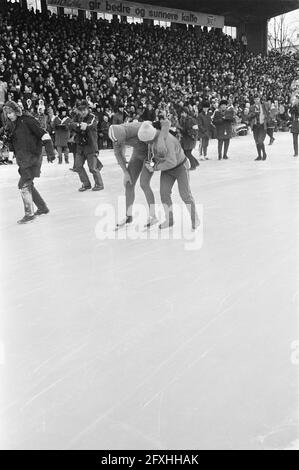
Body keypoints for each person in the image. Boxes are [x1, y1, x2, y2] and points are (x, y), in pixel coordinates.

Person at [137, 120, 200, 231]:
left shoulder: (167, 141)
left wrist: (155, 167)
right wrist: (152, 162)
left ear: (150, 138)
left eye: (146, 142)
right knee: (164, 193)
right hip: (167, 170)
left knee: (185, 195)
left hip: (180, 167)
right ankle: (170, 219)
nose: (146, 144)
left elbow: (172, 162)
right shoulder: (153, 139)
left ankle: (195, 219)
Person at [0, 101, 55, 224]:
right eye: (7, 113)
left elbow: (44, 134)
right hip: (22, 159)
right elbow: (12, 142)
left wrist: (50, 151)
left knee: (24, 185)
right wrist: (6, 140)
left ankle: (29, 214)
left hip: (33, 157)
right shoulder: (10, 125)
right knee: (27, 184)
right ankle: (42, 208)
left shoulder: (28, 120)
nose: (9, 115)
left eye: (11, 112)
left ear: (16, 111)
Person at [108, 121, 157, 228]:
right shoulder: (116, 136)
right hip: (137, 154)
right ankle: (128, 216)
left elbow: (152, 135)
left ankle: (153, 216)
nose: (118, 144)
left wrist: (152, 161)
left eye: (121, 142)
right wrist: (126, 173)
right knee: (129, 184)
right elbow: (118, 154)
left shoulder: (136, 128)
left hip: (149, 154)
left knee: (144, 184)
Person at [69, 101, 104, 192]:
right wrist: (79, 125)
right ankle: (86, 184)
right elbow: (71, 124)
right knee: (78, 166)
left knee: (92, 168)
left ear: (87, 109)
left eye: (84, 110)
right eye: (81, 110)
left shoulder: (93, 116)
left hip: (91, 146)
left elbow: (90, 125)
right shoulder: (77, 117)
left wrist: (79, 126)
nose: (83, 112)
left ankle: (99, 184)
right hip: (80, 146)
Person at [249, 95, 269, 161]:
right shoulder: (252, 107)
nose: (256, 100)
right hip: (255, 126)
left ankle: (264, 153)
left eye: (257, 99)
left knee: (260, 140)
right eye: (255, 99)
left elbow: (269, 113)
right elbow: (249, 116)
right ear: (254, 100)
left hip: (262, 126)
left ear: (260, 99)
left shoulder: (263, 106)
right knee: (257, 141)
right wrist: (253, 114)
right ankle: (259, 156)